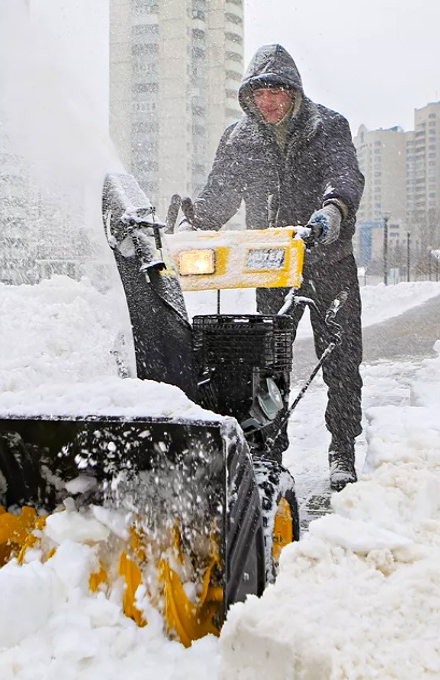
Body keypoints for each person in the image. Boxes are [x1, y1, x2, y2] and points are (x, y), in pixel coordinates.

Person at [179, 44, 365, 492]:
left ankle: (342, 447)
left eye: (277, 92)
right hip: (272, 266)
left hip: (327, 259)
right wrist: (195, 220)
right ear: (249, 97)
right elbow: (221, 195)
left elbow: (345, 178)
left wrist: (332, 214)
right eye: (259, 94)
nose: (269, 102)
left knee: (341, 357)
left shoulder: (328, 127)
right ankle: (267, 447)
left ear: (294, 92)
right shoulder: (239, 139)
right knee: (266, 362)